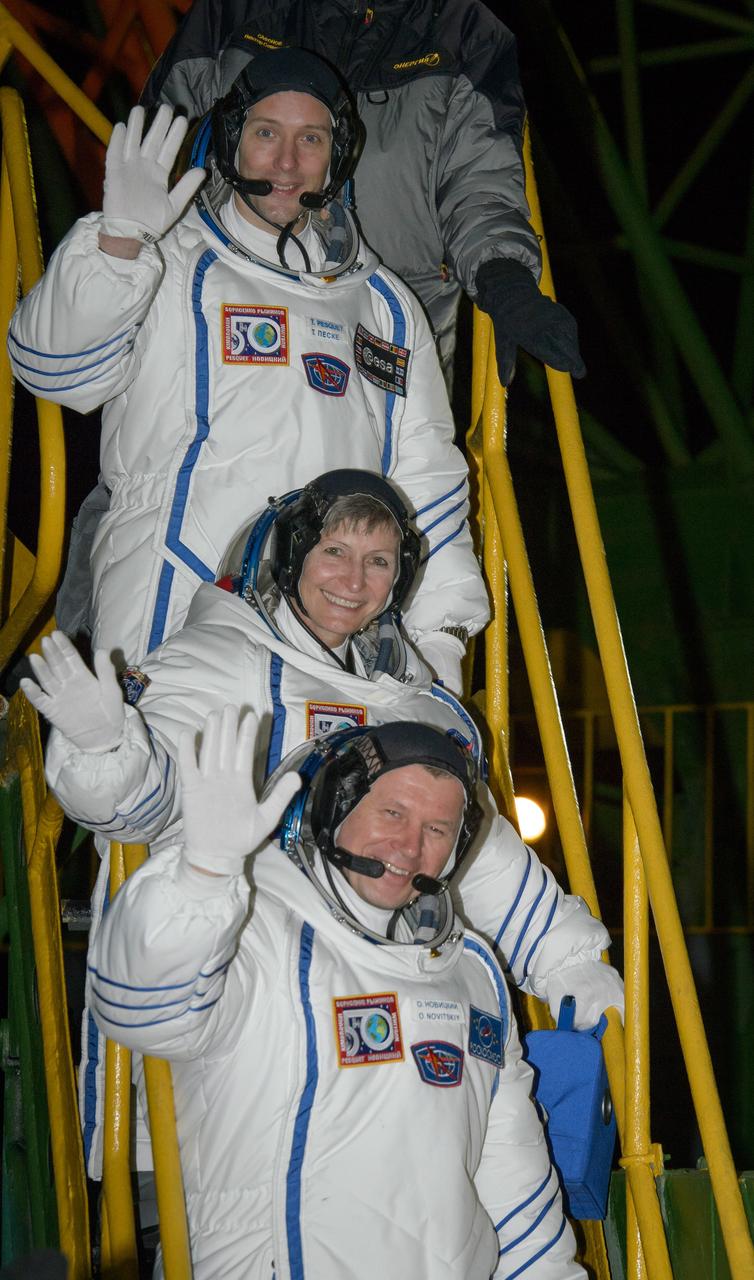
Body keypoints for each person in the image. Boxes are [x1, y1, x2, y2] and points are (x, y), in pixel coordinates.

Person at [22, 469, 624, 1178]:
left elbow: (475, 854)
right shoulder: (213, 664)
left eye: (379, 562)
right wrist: (104, 748)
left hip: (386, 1050)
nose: (354, 580)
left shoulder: (415, 704)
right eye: (334, 553)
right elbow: (138, 805)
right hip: (247, 1019)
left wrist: (569, 960)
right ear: (285, 557)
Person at [7, 46, 487, 690]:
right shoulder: (167, 256)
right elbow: (56, 370)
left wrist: (440, 642)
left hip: (335, 615)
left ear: (337, 155)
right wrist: (119, 240)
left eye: (309, 139)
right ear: (232, 142)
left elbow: (425, 477)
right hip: (173, 587)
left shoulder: (384, 305)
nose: (286, 163)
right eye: (267, 134)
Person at [90, 711, 588, 1278]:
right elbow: (141, 1010)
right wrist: (202, 876)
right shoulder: (251, 931)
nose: (409, 847)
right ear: (331, 809)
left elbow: (512, 1179)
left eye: (438, 830)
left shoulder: (473, 976)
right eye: (393, 813)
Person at [140, 0, 586, 389]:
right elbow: (160, 155)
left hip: (390, 327)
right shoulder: (235, 11)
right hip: (226, 306)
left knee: (396, 475)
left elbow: (480, 182)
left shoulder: (465, 32)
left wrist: (504, 279)